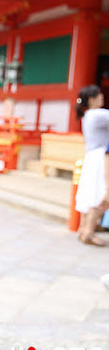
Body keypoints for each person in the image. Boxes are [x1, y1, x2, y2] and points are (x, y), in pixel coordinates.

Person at [74, 84, 109, 246]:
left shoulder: (87, 115)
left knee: (89, 194)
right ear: (92, 99)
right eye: (99, 96)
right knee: (99, 195)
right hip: (100, 159)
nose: (102, 98)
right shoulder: (98, 115)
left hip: (91, 157)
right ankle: (89, 232)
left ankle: (83, 229)